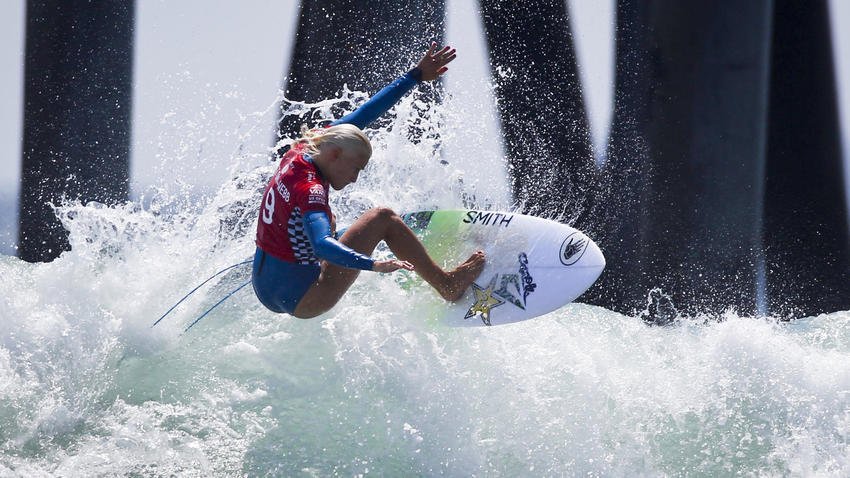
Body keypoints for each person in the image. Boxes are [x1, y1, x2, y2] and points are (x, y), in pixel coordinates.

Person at [252, 43, 486, 319]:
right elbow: (321, 246)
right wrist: (372, 264)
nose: (354, 178)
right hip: (304, 298)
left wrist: (415, 76)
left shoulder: (310, 145)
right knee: (383, 218)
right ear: (336, 155)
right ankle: (447, 285)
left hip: (264, 287)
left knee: (326, 218)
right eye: (356, 169)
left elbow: (364, 115)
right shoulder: (311, 188)